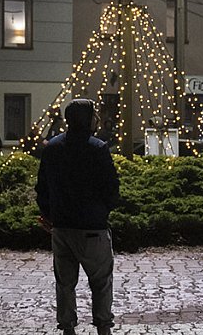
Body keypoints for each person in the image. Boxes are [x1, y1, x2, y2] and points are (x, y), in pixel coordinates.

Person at [35, 99, 120, 335]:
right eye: (94, 115)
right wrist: (103, 211)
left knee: (65, 282)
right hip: (92, 226)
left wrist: (48, 214)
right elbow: (111, 187)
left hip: (62, 226)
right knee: (101, 281)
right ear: (87, 119)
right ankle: (103, 326)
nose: (97, 119)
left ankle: (67, 327)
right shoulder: (98, 148)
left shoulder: (52, 147)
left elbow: (42, 187)